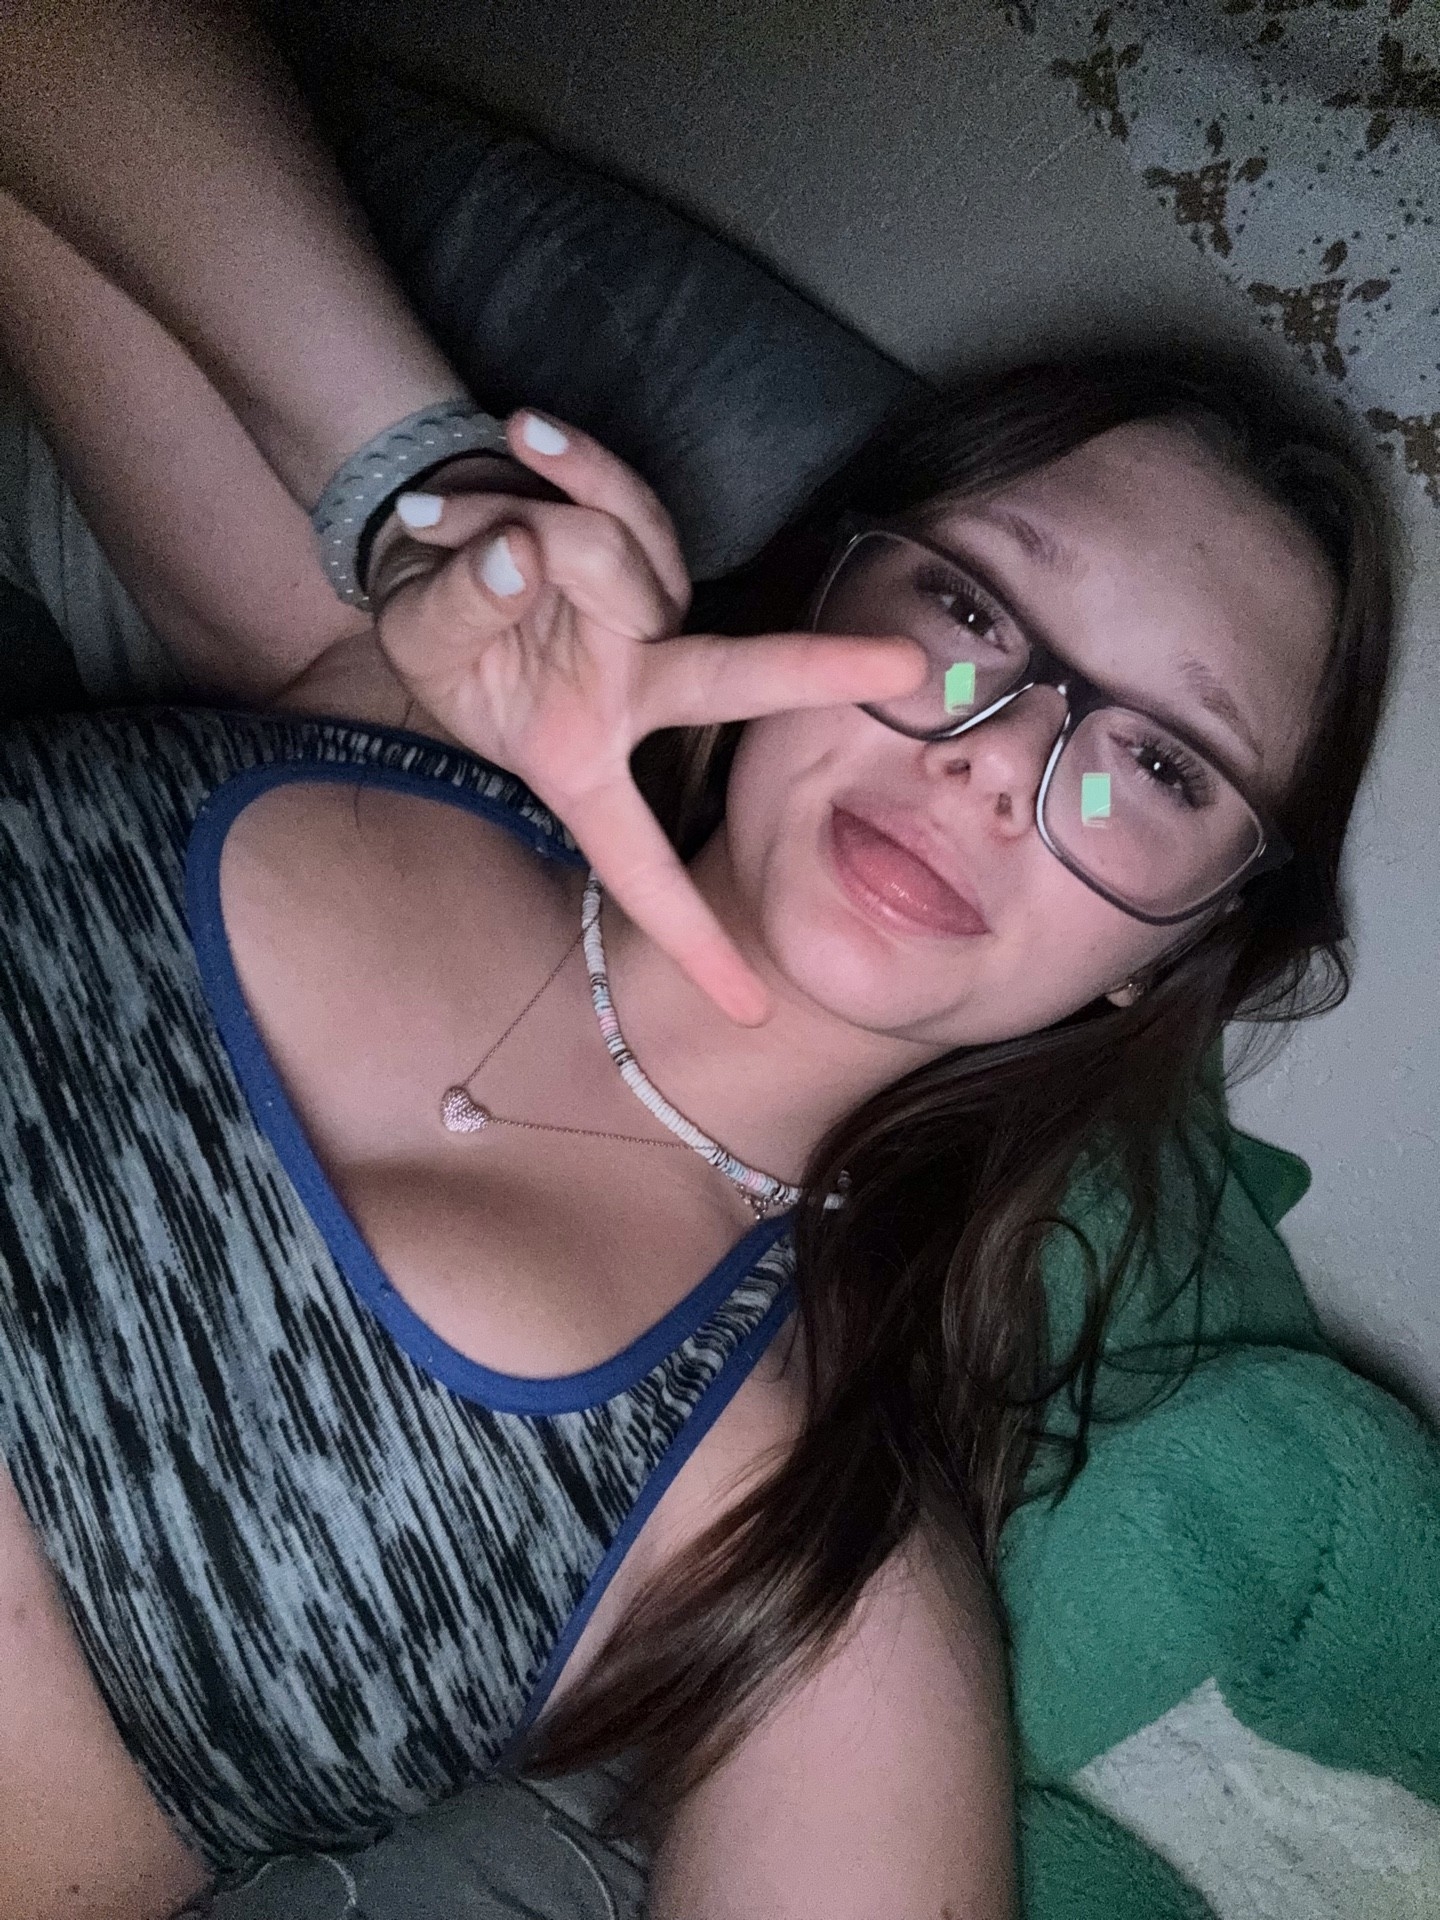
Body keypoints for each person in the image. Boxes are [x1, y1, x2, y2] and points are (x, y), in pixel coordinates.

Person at [0, 4, 1396, 1918]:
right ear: (832, 577)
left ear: (1180, 955)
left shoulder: (810, 1549)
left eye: (1161, 765)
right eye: (973, 606)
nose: (998, 762)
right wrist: (414, 485)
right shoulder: (376, 700)